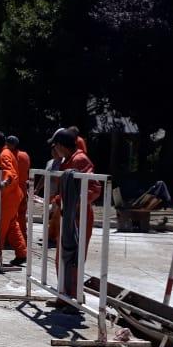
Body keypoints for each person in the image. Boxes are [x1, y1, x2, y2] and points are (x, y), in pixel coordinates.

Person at [48, 128, 101, 309]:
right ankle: (63, 295)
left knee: (74, 260)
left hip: (79, 216)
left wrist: (76, 204)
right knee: (61, 257)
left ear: (62, 145)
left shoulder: (79, 160)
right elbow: (67, 189)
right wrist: (58, 201)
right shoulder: (69, 160)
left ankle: (74, 298)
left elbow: (95, 188)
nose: (55, 150)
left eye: (56, 146)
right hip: (69, 215)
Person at [0, 132, 27, 267]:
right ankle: (21, 253)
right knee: (12, 225)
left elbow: (9, 173)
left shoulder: (4, 155)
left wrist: (3, 184)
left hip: (7, 197)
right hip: (12, 196)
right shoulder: (7, 153)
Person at [6, 135, 31, 242]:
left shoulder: (8, 156)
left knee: (9, 216)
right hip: (23, 191)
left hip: (12, 191)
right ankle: (23, 237)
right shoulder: (25, 156)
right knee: (21, 215)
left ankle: (8, 238)